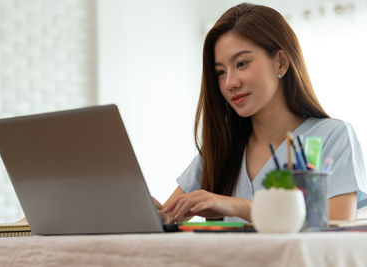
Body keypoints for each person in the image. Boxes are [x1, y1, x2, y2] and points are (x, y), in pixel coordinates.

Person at [154, 3, 367, 223]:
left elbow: (333, 230)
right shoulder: (221, 149)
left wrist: (236, 206)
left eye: (242, 63)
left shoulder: (327, 137)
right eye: (220, 72)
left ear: (281, 62)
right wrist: (146, 212)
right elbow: (168, 220)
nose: (229, 83)